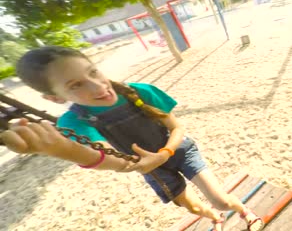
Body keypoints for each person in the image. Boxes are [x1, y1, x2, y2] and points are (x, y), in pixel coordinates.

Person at [0, 46, 263, 231]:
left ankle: (244, 212)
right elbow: (107, 158)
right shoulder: (73, 122)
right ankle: (215, 218)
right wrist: (63, 149)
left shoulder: (139, 92)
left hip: (179, 150)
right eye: (75, 85)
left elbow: (177, 128)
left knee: (220, 198)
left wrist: (163, 155)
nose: (98, 87)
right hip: (151, 169)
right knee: (194, 208)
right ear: (55, 98)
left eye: (93, 72)